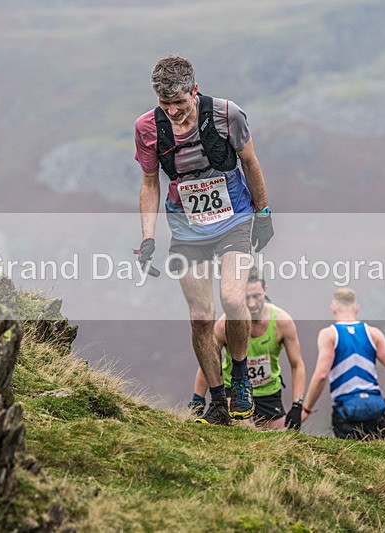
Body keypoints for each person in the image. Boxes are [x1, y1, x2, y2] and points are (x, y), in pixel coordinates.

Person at [134, 55, 274, 425]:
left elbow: (250, 163)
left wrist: (263, 213)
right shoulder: (148, 128)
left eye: (180, 103)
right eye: (166, 105)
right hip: (185, 227)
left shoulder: (229, 114)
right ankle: (216, 399)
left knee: (231, 297)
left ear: (194, 91)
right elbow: (150, 183)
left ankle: (240, 375)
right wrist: (148, 238)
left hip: (234, 221)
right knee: (200, 317)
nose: (174, 112)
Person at [189, 269, 306, 429]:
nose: (251, 303)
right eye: (246, 297)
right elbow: (210, 362)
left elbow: (297, 365)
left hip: (268, 393)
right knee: (241, 429)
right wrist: (198, 399)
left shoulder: (282, 322)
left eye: (256, 296)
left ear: (265, 290)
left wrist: (297, 406)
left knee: (279, 441)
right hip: (234, 391)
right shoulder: (224, 325)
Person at [301, 289, 385, 440]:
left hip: (346, 411)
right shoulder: (373, 334)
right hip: (374, 409)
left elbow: (321, 375)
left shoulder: (329, 335)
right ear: (357, 308)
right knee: (377, 456)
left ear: (333, 308)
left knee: (349, 460)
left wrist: (306, 409)